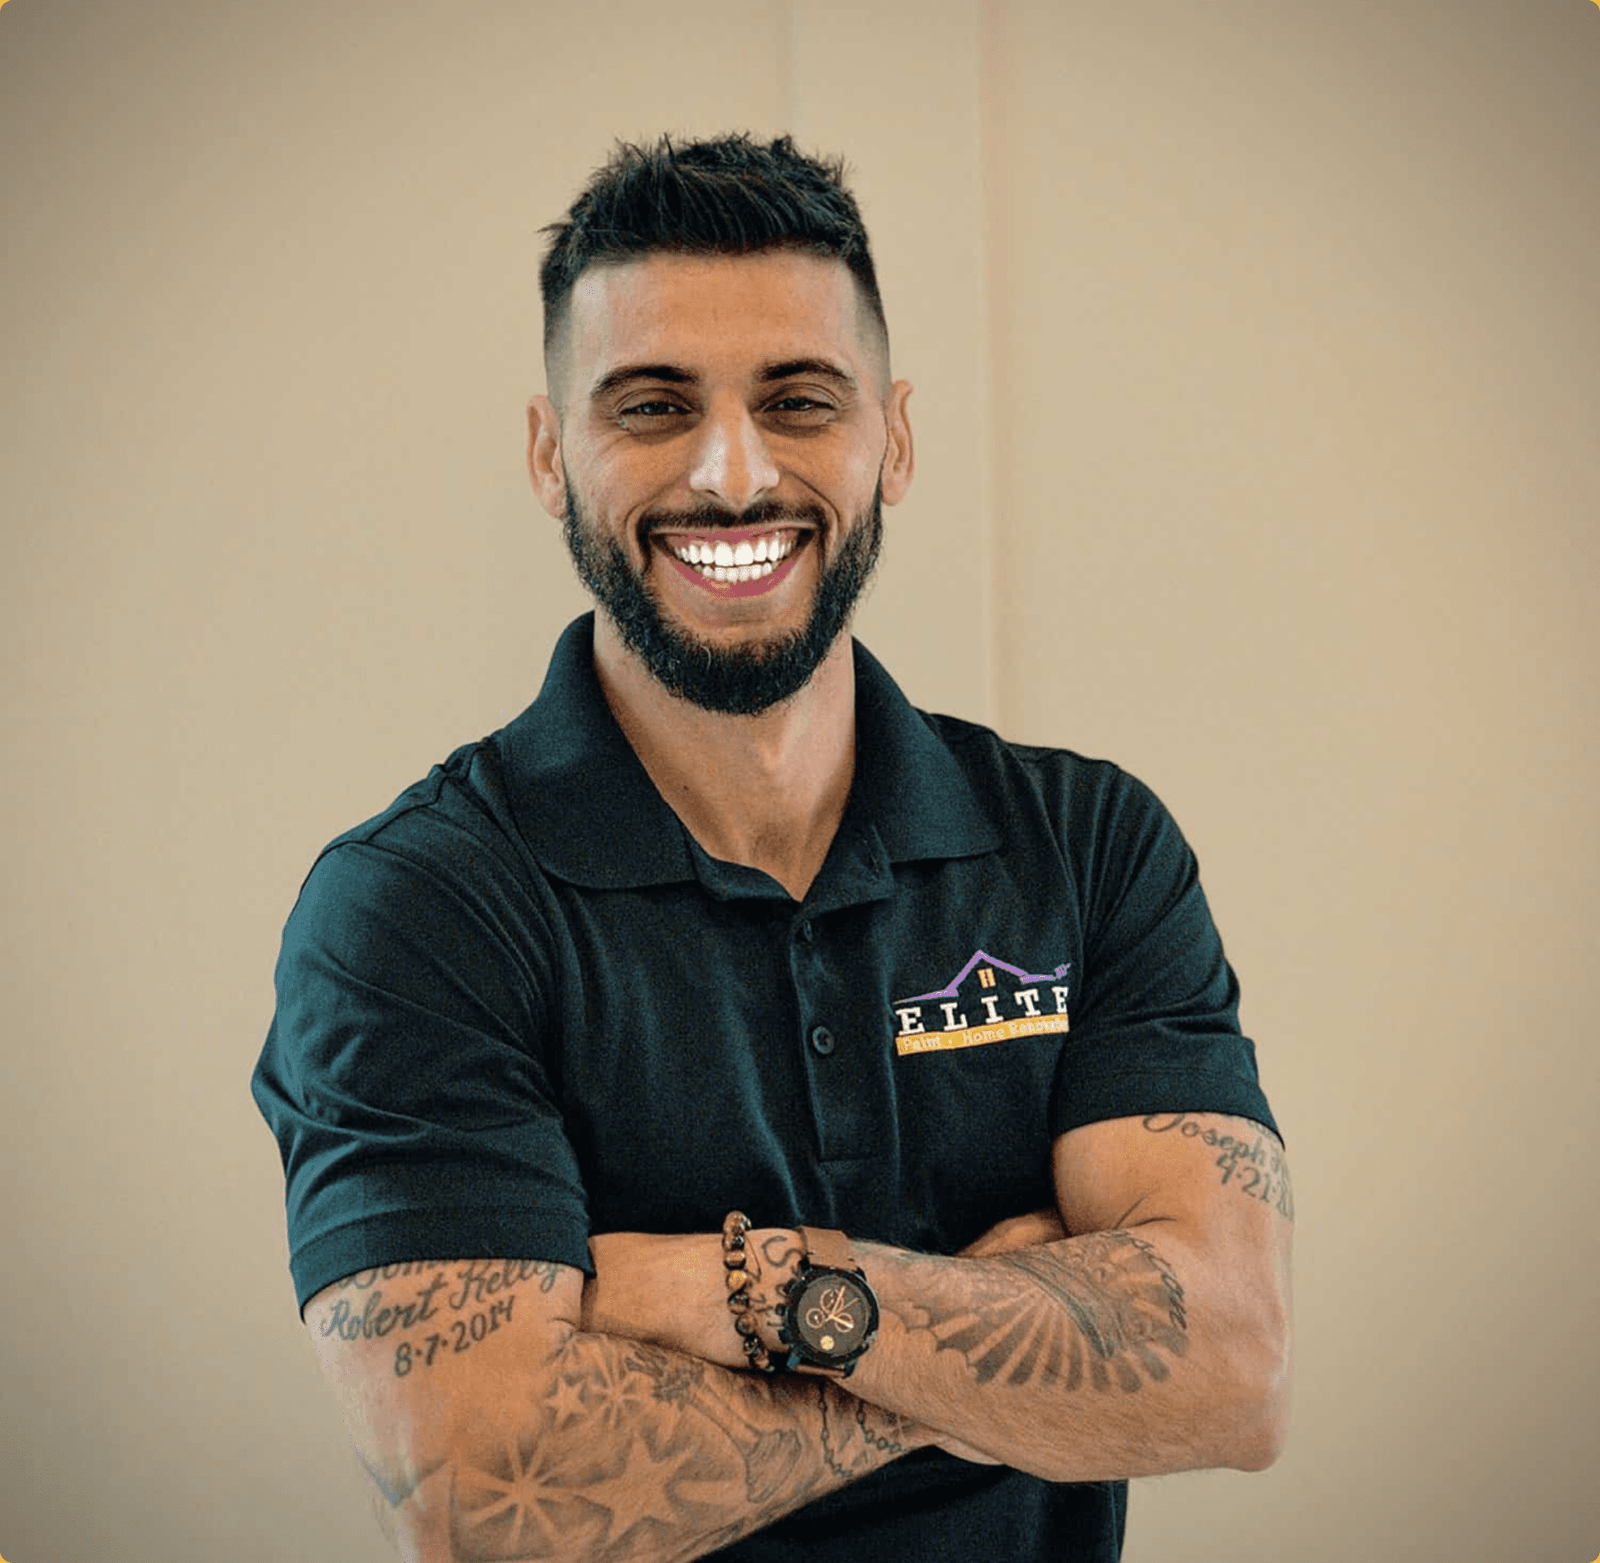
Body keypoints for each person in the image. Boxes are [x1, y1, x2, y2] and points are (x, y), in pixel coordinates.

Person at [252, 132, 1293, 1563]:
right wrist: (999, 1347)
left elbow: (1230, 1366)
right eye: (652, 406)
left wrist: (748, 1293)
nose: (732, 475)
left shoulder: (1088, 844)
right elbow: (483, 1501)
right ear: (552, 456)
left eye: (800, 401)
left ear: (897, 438)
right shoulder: (417, 909)